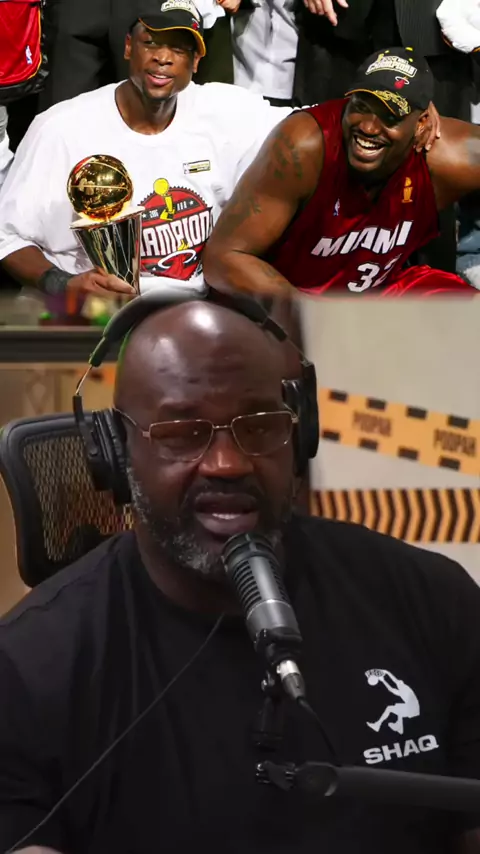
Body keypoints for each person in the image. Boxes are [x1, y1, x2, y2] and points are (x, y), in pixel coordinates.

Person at [2, 294, 480, 854]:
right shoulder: (28, 670)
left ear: (300, 433)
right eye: (182, 432)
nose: (228, 463)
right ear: (114, 452)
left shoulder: (434, 602)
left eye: (259, 426)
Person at [0, 0, 293, 301]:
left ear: (195, 61)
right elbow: (6, 237)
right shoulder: (61, 129)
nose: (163, 58)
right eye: (150, 43)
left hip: (195, 311)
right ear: (128, 47)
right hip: (91, 315)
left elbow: (310, 123)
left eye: (178, 49)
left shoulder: (228, 111)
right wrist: (63, 285)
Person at [203, 47, 480, 297]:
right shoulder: (303, 145)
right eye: (361, 107)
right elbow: (223, 258)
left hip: (378, 294)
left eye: (390, 116)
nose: (369, 128)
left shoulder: (443, 155)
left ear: (422, 123)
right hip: (292, 299)